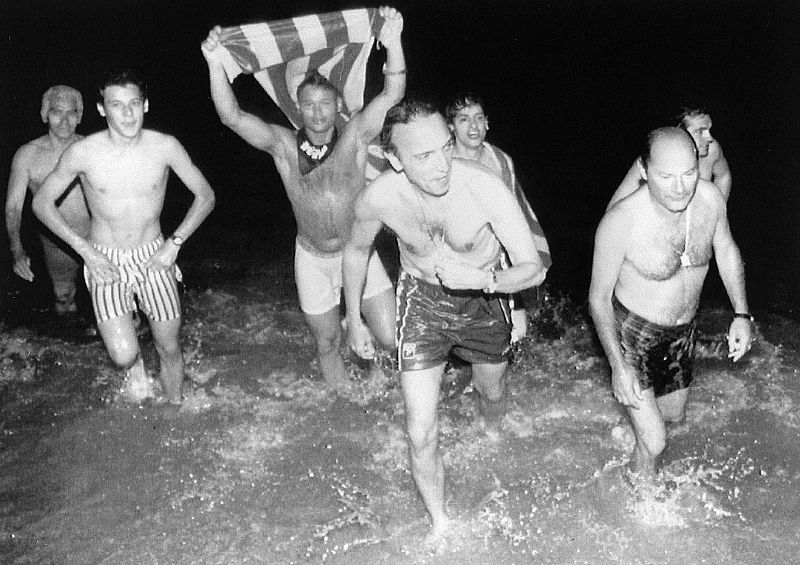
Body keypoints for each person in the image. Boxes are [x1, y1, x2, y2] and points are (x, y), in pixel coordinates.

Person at [343, 99, 548, 541]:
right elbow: (356, 251)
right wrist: (354, 317)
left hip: (485, 299)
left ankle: (493, 433)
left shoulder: (484, 186)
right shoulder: (379, 198)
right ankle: (441, 524)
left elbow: (533, 268)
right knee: (420, 430)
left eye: (445, 147)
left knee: (491, 392)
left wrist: (486, 280)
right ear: (395, 159)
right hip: (421, 303)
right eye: (424, 156)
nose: (442, 165)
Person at [201, 7, 405, 392]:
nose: (317, 112)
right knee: (327, 343)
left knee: (391, 339)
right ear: (298, 106)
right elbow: (231, 117)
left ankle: (387, 390)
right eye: (308, 104)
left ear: (337, 104)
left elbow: (392, 93)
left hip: (357, 253)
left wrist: (393, 42)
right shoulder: (283, 145)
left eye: (325, 103)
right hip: (313, 259)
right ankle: (344, 402)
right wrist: (215, 64)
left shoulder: (355, 137)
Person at [32, 69, 216, 406]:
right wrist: (85, 251)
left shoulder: (165, 146)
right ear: (102, 109)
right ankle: (136, 368)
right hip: (105, 260)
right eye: (117, 105)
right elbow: (41, 203)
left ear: (145, 105)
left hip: (155, 255)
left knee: (169, 345)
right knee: (122, 355)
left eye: (134, 104)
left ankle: (174, 405)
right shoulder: (83, 152)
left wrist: (174, 243)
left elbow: (205, 196)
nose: (127, 113)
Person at [589, 127, 752, 479]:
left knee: (674, 417)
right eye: (666, 176)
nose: (680, 188)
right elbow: (598, 299)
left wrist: (741, 314)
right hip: (633, 333)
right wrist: (618, 366)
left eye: (688, 173)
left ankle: (638, 436)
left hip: (682, 331)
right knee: (656, 441)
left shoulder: (710, 200)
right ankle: (638, 499)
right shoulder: (621, 221)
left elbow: (726, 250)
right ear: (644, 170)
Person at [446, 92, 551, 342]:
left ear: (487, 123)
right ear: (451, 126)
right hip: (454, 255)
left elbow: (517, 214)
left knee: (517, 333)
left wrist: (525, 262)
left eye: (479, 118)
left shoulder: (500, 160)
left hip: (495, 254)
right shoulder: (443, 163)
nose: (473, 126)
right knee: (454, 330)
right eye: (464, 119)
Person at [5, 85, 91, 317]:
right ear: (45, 114)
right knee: (64, 297)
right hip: (56, 241)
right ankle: (67, 336)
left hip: (96, 234)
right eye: (56, 112)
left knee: (112, 292)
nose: (64, 121)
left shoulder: (92, 148)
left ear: (80, 116)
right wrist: (17, 250)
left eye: (71, 112)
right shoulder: (28, 154)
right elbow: (13, 208)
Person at [607, 108, 732, 209]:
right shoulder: (652, 159)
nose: (709, 138)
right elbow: (614, 208)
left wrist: (718, 211)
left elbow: (723, 176)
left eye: (709, 130)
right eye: (700, 131)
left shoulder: (711, 150)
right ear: (679, 132)